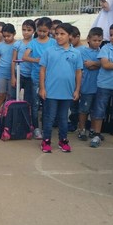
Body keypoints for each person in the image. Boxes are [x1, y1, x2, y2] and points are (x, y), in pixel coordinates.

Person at [38, 23, 83, 153]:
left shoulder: (76, 53)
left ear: (70, 36)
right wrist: (42, 88)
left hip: (67, 92)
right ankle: (46, 140)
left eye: (62, 34)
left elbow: (78, 72)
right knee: (49, 117)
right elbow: (42, 70)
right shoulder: (49, 51)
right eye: (57, 34)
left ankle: (63, 140)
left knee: (63, 118)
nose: (58, 36)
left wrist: (77, 90)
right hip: (51, 92)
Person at [23, 17, 56, 139]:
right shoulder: (33, 42)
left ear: (49, 30)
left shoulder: (53, 42)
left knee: (48, 105)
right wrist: (37, 60)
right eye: (40, 31)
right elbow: (25, 57)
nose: (42, 33)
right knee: (35, 104)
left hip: (50, 78)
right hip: (36, 77)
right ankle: (36, 128)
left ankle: (46, 128)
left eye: (45, 31)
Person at [76, 27, 103, 140]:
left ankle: (92, 129)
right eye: (94, 40)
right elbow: (88, 66)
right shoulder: (82, 51)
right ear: (88, 39)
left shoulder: (103, 51)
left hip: (99, 86)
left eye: (99, 41)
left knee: (95, 110)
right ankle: (81, 129)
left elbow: (103, 64)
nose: (97, 43)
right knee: (84, 109)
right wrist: (99, 63)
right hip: (87, 86)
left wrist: (96, 63)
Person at [11, 19, 35, 121]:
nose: (26, 32)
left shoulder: (35, 43)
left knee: (28, 100)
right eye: (24, 29)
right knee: (13, 97)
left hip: (31, 76)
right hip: (19, 73)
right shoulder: (18, 44)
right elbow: (13, 60)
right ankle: (13, 118)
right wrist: (13, 76)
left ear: (34, 31)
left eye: (29, 30)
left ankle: (25, 120)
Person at [0, 23, 16, 113]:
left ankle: (8, 118)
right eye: (4, 36)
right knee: (1, 95)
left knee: (11, 97)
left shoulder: (17, 44)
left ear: (14, 34)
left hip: (12, 74)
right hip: (1, 73)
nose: (6, 38)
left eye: (9, 36)